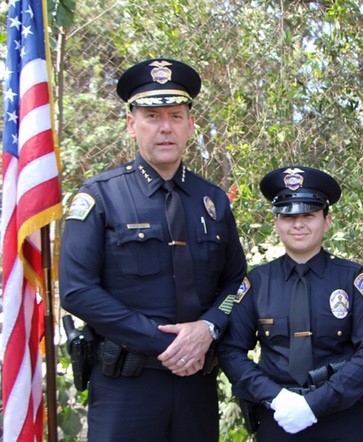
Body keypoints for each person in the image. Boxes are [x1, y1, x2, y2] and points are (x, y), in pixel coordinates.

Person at [59, 58, 247, 441]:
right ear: (131, 125)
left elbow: (237, 284)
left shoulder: (211, 201)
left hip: (196, 383)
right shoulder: (99, 196)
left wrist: (208, 328)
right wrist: (167, 343)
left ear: (190, 125)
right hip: (126, 388)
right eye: (151, 116)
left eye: (176, 116)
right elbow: (77, 290)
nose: (165, 128)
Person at [218, 166, 363, 441]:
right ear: (276, 223)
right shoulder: (257, 283)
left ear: (327, 222)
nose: (298, 224)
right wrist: (276, 397)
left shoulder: (353, 279)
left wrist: (314, 405)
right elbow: (231, 351)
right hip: (279, 417)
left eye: (309, 215)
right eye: (288, 215)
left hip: (343, 419)